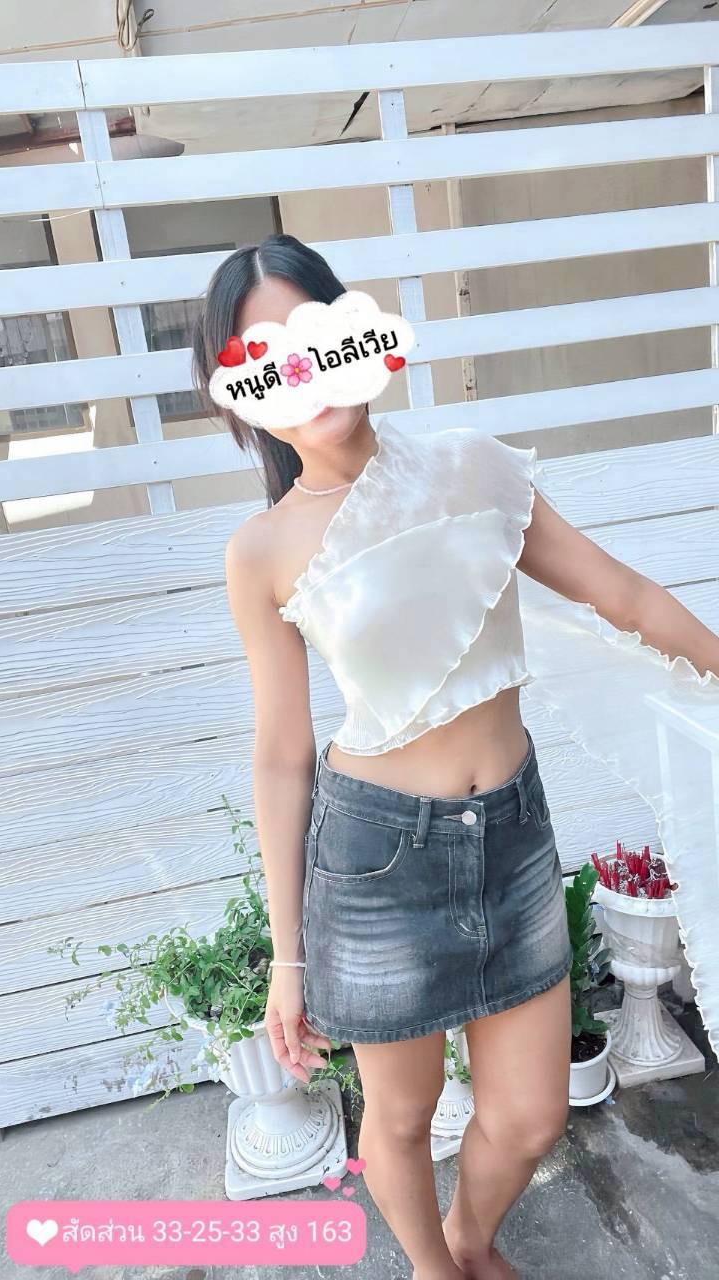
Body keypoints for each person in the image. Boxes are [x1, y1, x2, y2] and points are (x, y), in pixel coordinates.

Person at [193, 232, 719, 1280]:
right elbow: (283, 755)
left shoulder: (471, 466)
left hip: (511, 833)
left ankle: (473, 1240)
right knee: (400, 1115)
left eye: (315, 335)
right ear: (243, 394)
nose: (305, 369)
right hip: (377, 861)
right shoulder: (262, 551)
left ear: (360, 333)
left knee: (529, 1116)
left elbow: (621, 593)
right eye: (267, 356)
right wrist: (288, 962)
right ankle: (438, 1271)